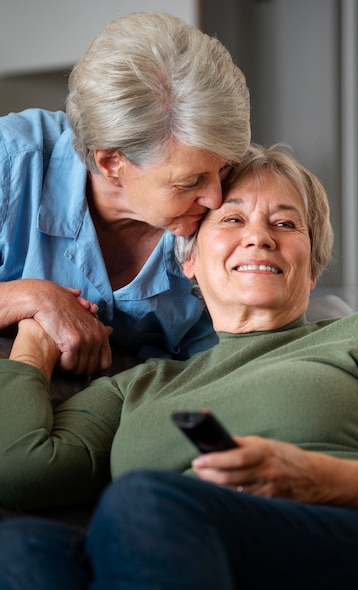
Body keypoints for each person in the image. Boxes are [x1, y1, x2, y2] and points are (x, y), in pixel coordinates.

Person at [0, 143, 358, 590]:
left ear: (314, 266)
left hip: (357, 546)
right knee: (20, 550)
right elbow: (19, 469)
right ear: (189, 260)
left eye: (285, 223)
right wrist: (35, 334)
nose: (259, 237)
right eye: (233, 220)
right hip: (191, 566)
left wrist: (311, 477)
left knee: (146, 501)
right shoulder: (138, 385)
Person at [0, 10, 250, 382]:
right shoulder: (12, 161)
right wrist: (27, 297)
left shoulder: (240, 199)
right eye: (190, 181)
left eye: (224, 168)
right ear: (112, 162)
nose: (216, 198)